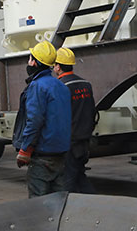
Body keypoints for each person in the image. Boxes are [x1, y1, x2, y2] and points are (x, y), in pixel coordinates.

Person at [12, 41, 71, 198]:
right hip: (61, 153)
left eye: (30, 58)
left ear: (35, 62)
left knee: (39, 204)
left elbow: (34, 121)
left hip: (42, 155)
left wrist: (25, 150)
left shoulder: (37, 86)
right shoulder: (61, 86)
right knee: (59, 201)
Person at [55, 47, 96, 193]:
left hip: (69, 142)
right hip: (84, 140)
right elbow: (92, 112)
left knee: (68, 182)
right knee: (79, 176)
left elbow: (58, 117)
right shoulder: (86, 84)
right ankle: (94, 204)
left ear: (58, 67)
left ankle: (68, 211)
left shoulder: (61, 87)